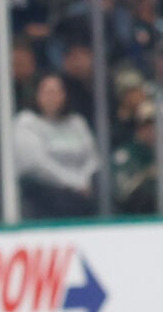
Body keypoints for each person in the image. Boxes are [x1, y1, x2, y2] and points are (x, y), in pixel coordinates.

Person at [11, 74, 101, 219]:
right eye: (48, 92)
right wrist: (74, 183)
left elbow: (92, 157)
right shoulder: (26, 122)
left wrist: (85, 180)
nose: (53, 97)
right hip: (46, 189)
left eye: (58, 92)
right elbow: (39, 164)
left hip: (82, 186)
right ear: (36, 94)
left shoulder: (76, 121)